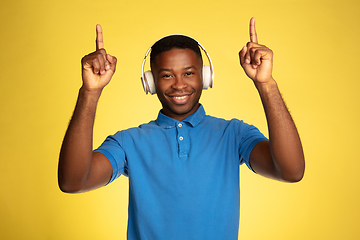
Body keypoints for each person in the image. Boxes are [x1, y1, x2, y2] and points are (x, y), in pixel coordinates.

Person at [58, 17, 305, 240]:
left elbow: (291, 171)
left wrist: (266, 84)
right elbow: (72, 182)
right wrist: (90, 92)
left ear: (205, 76)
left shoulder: (234, 134)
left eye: (188, 73)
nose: (179, 85)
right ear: (151, 82)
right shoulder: (128, 142)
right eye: (166, 75)